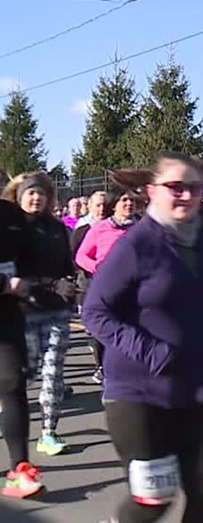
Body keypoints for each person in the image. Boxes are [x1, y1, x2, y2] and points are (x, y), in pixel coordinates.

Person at [83, 153, 203, 523]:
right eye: (176, 187)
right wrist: (151, 352)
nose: (186, 196)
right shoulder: (135, 246)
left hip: (200, 388)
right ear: (152, 192)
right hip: (139, 393)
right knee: (153, 498)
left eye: (193, 188)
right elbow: (94, 312)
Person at [4, 172, 77, 457]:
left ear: (48, 198)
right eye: (29, 193)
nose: (35, 198)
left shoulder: (57, 228)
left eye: (40, 194)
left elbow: (65, 266)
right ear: (18, 197)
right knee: (22, 376)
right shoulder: (10, 230)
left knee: (52, 372)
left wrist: (67, 283)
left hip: (55, 310)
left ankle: (48, 432)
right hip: (20, 312)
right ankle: (10, 415)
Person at [74, 185, 138, 385]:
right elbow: (81, 256)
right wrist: (97, 267)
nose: (128, 204)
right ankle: (106, 369)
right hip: (107, 288)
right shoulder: (100, 228)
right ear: (114, 205)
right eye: (124, 200)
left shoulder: (143, 228)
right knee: (107, 332)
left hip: (136, 289)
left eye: (132, 201)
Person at [0, 197, 41, 498]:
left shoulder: (11, 213)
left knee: (13, 383)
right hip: (6, 293)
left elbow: (30, 257)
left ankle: (19, 469)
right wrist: (5, 283)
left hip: (7, 314)